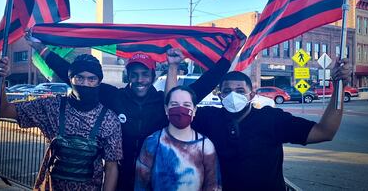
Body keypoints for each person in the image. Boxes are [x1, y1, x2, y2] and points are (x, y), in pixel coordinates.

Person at [31, 41, 235, 191]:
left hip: (158, 175)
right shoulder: (114, 97)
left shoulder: (164, 103)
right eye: (135, 74)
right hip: (121, 175)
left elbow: (204, 85)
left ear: (153, 77)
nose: (140, 80)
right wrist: (40, 48)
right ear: (128, 76)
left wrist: (230, 55)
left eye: (145, 74)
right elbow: (76, 75)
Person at [189, 59, 351, 191]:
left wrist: (339, 86)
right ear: (220, 95)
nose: (233, 95)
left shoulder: (271, 119)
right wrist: (174, 67)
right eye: (227, 91)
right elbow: (176, 104)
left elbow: (325, 132)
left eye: (239, 91)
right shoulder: (209, 117)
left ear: (251, 95)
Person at [0, 54, 123, 191]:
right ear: (70, 79)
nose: (85, 84)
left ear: (98, 82)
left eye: (91, 79)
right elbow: (3, 110)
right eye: (79, 78)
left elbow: (111, 167)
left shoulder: (109, 119)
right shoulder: (50, 107)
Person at [135, 85, 221, 191]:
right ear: (166, 109)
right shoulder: (152, 142)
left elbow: (213, 186)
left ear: (194, 110)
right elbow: (141, 184)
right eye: (174, 104)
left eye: (186, 105)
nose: (180, 110)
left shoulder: (205, 146)